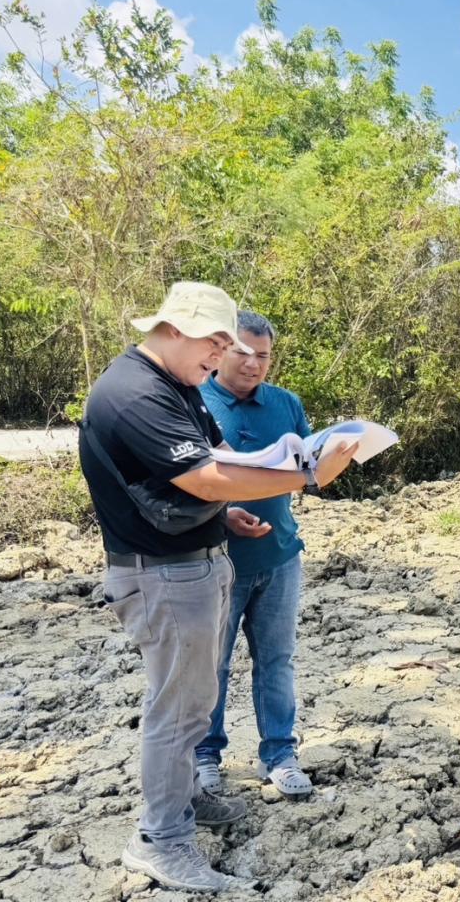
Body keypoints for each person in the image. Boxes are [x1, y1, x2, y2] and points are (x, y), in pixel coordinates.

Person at [79, 282, 357, 893]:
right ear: (176, 329)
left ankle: (185, 801)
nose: (223, 357)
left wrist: (230, 511)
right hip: (162, 574)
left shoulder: (177, 385)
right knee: (179, 712)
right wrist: (308, 477)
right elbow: (206, 477)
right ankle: (161, 840)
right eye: (217, 344)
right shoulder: (135, 393)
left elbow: (220, 461)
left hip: (195, 562)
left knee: (195, 700)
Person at [195, 311, 316, 798]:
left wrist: (335, 457)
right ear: (221, 350)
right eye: (244, 353)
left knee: (277, 660)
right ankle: (205, 757)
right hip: (216, 562)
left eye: (263, 356)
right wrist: (223, 514)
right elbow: (178, 482)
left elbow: (307, 469)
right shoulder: (192, 401)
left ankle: (280, 755)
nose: (253, 364)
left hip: (280, 556)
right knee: (211, 666)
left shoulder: (286, 404)